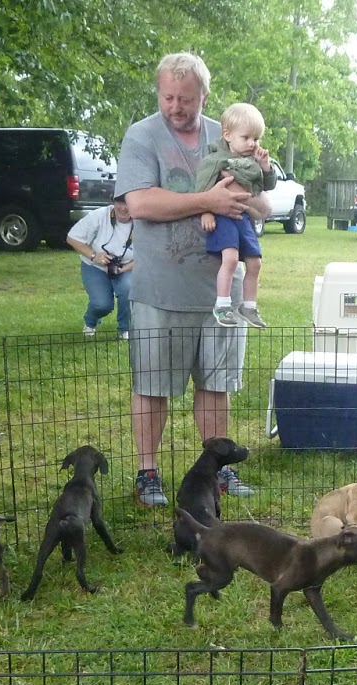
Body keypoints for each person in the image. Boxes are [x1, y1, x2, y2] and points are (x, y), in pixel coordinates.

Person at [116, 52, 269, 506]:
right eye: (168, 97)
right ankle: (148, 474)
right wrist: (208, 200)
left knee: (216, 384)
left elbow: (264, 206)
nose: (176, 106)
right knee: (152, 385)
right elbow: (140, 204)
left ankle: (217, 473)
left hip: (221, 292)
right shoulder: (142, 136)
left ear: (204, 95)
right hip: (161, 289)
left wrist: (252, 188)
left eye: (186, 98)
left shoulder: (229, 135)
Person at [195, 102, 275, 328]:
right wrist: (206, 212)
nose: (253, 143)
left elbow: (266, 186)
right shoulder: (214, 160)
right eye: (247, 137)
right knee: (230, 259)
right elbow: (202, 188)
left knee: (255, 263)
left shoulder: (252, 162)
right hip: (222, 218)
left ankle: (248, 306)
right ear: (228, 135)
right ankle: (222, 305)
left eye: (257, 139)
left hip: (244, 218)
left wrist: (266, 166)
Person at [66, 194, 135, 338]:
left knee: (128, 290)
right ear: (113, 202)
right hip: (94, 266)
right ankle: (90, 322)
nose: (123, 208)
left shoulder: (142, 221)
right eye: (119, 203)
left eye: (127, 203)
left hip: (126, 267)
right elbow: (72, 238)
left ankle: (125, 329)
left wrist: (126, 268)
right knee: (102, 304)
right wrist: (94, 255)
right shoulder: (98, 216)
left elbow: (148, 255)